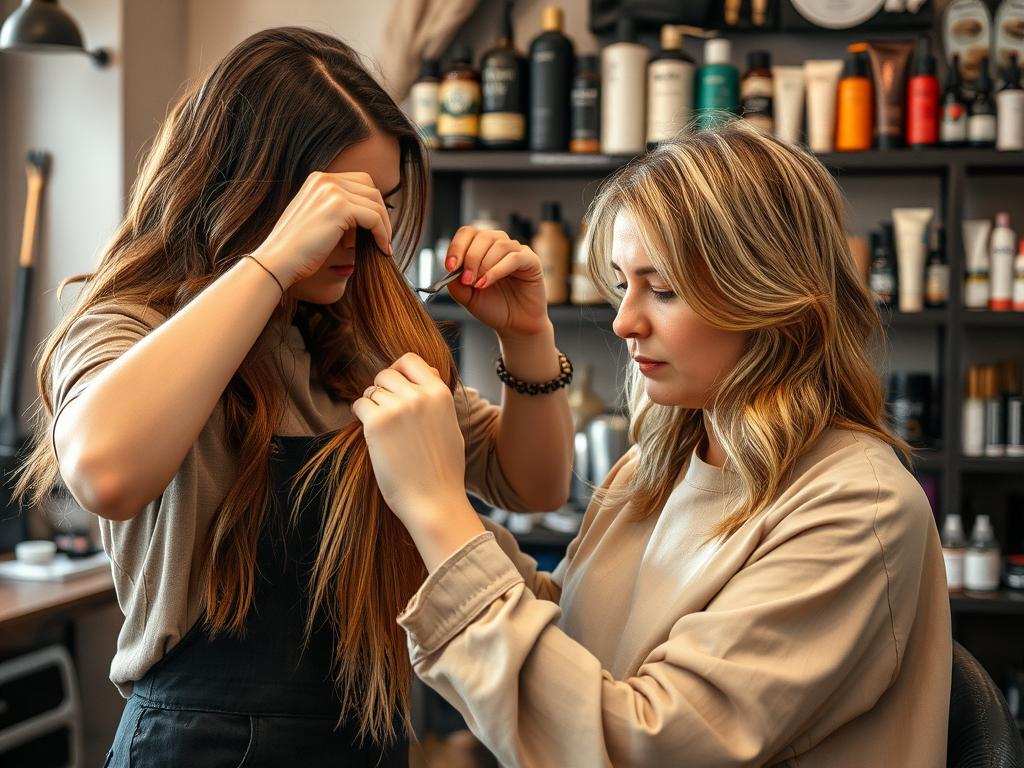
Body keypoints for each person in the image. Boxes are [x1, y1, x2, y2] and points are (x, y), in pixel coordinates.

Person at [17, 27, 573, 767]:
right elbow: (107, 475)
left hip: (364, 741)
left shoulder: (359, 343)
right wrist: (274, 262)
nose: (364, 232)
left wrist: (528, 335)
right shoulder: (130, 328)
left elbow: (534, 484)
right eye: (338, 206)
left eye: (383, 203)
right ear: (249, 187)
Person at [352, 121, 952, 767]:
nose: (623, 321)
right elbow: (571, 638)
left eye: (662, 289)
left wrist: (438, 511)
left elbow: (636, 745)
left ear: (772, 297)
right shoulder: (653, 465)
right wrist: (429, 502)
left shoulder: (858, 508)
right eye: (622, 282)